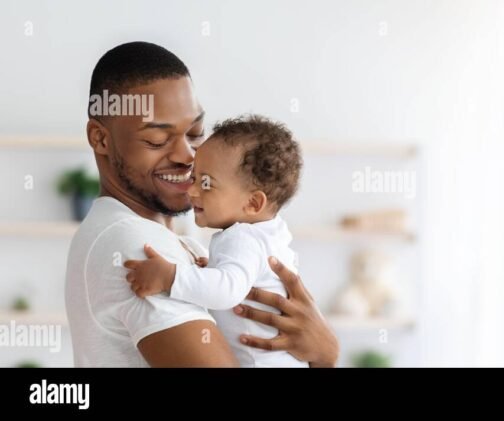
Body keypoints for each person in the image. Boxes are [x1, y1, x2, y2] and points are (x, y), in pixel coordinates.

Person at [64, 41, 338, 367]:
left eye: (195, 133)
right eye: (157, 139)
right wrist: (325, 355)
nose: (187, 156)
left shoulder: (189, 247)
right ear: (100, 138)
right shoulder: (135, 246)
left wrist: (321, 352)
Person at [124, 114, 307, 367]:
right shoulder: (268, 234)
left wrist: (170, 277)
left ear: (253, 203)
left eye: (207, 183)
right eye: (195, 177)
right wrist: (213, 270)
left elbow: (227, 291)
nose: (192, 190)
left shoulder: (243, 238)